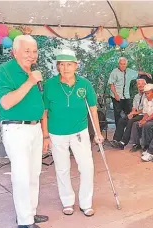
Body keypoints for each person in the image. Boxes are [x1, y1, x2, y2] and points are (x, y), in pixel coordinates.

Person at [0, 35, 48, 228]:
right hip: (16, 130)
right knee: (22, 175)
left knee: (34, 173)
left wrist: (44, 133)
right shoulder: (4, 71)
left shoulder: (32, 72)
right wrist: (30, 82)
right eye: (27, 51)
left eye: (34, 51)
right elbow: (6, 103)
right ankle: (24, 221)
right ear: (14, 51)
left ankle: (29, 213)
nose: (32, 55)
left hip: (34, 129)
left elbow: (40, 105)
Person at [42, 49, 104, 217]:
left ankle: (86, 202)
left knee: (87, 166)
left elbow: (92, 109)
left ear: (76, 66)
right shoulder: (49, 85)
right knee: (62, 168)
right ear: (57, 67)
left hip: (79, 130)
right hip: (56, 133)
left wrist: (98, 133)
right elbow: (44, 112)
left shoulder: (84, 84)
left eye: (69, 64)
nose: (65, 68)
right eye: (61, 64)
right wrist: (45, 135)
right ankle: (67, 201)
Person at [108, 57, 151, 126]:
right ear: (118, 64)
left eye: (124, 64)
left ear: (126, 65)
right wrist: (115, 94)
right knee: (117, 114)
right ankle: (118, 129)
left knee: (129, 112)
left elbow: (138, 73)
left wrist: (146, 73)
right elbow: (111, 84)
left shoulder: (129, 71)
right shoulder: (114, 72)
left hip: (126, 96)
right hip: (116, 96)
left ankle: (128, 128)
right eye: (121, 64)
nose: (123, 66)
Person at [111, 78, 146, 149]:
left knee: (131, 121)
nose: (140, 85)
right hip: (136, 114)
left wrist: (135, 113)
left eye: (142, 84)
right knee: (122, 120)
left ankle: (123, 143)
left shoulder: (147, 95)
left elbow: (145, 109)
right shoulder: (136, 96)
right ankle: (116, 140)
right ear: (137, 85)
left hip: (144, 114)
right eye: (139, 84)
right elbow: (134, 107)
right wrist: (131, 113)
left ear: (145, 85)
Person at [130, 83, 153, 152]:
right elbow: (146, 113)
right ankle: (136, 144)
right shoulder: (145, 100)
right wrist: (143, 120)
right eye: (145, 93)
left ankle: (148, 145)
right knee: (136, 124)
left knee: (146, 125)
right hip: (148, 119)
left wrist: (146, 120)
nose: (147, 95)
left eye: (148, 93)